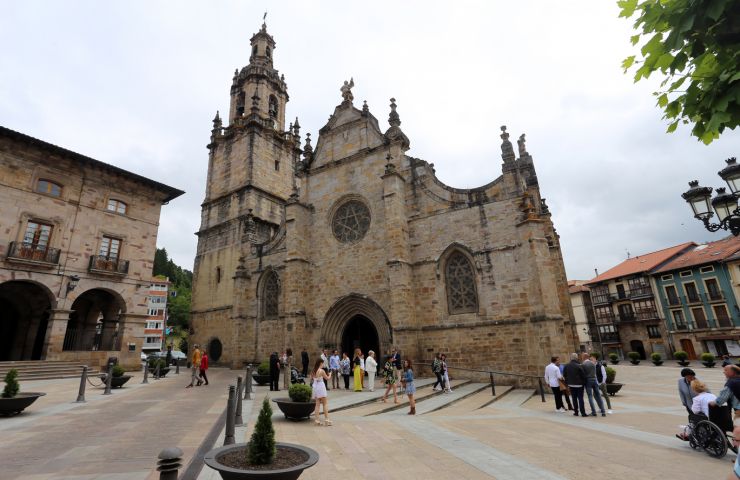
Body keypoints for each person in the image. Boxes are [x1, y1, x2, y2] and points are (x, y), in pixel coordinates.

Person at [563, 353, 587, 417]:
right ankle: (583, 413)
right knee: (580, 398)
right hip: (579, 385)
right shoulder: (579, 365)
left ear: (571, 358)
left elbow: (564, 375)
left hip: (571, 384)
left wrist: (567, 383)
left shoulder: (566, 366)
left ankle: (576, 412)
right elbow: (583, 375)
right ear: (576, 358)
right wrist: (584, 383)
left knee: (574, 398)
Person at [310, 359, 332, 426]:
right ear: (320, 363)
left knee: (317, 405)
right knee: (325, 403)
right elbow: (327, 378)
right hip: (321, 386)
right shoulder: (321, 371)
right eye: (322, 363)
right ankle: (327, 419)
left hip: (315, 387)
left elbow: (311, 378)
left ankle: (317, 420)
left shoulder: (313, 370)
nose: (323, 365)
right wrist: (330, 374)